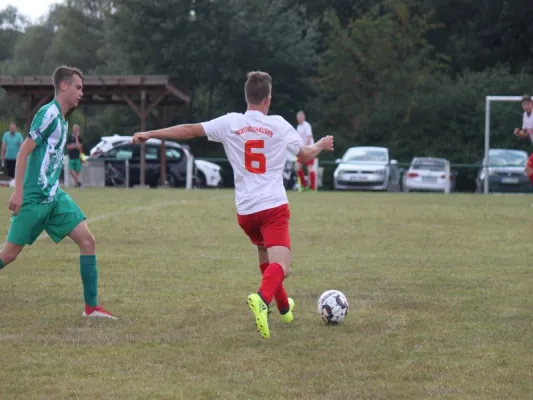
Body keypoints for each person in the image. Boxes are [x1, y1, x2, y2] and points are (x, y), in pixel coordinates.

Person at [133, 71, 334, 339]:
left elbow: (190, 130)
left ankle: (285, 308)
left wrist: (151, 132)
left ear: (247, 97)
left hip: (246, 212)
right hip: (272, 207)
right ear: (268, 99)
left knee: (267, 261)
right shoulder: (278, 125)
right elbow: (306, 156)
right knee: (282, 267)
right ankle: (262, 299)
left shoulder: (230, 122)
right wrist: (320, 144)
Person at [0, 65, 116, 320]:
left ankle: (91, 308)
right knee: (9, 254)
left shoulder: (63, 120)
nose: (81, 93)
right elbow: (23, 152)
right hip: (33, 200)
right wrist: (18, 192)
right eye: (78, 87)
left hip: (54, 197)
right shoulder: (48, 114)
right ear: (63, 86)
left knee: (88, 241)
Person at [514, 94, 533, 186]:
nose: (526, 106)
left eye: (527, 104)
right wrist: (518, 133)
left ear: (531, 104)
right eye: (524, 105)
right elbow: (525, 133)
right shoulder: (525, 116)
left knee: (528, 167)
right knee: (528, 168)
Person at [295, 111, 317, 191]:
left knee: (310, 168)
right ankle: (304, 186)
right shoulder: (298, 127)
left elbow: (309, 137)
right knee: (297, 167)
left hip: (309, 149)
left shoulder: (306, 125)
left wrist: (304, 147)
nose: (299, 118)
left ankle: (312, 188)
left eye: (300, 117)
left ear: (303, 117)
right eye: (298, 117)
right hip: (302, 150)